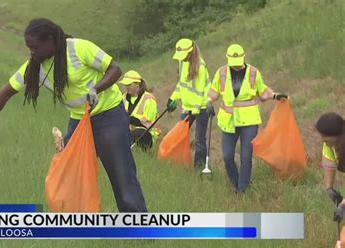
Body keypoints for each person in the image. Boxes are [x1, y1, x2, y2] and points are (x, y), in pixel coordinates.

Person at [0, 18, 147, 212]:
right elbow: (3, 94)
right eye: (29, 48)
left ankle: (140, 233)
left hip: (109, 118)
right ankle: (78, 226)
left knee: (123, 179)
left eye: (35, 47)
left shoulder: (79, 48)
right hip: (78, 121)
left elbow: (115, 69)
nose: (31, 52)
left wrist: (96, 89)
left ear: (50, 41)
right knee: (67, 177)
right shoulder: (35, 67)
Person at [207, 43, 287, 193]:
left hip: (249, 122)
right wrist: (208, 103)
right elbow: (213, 92)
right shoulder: (222, 73)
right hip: (229, 122)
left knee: (246, 156)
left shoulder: (253, 73)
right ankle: (236, 183)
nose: (236, 66)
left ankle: (242, 190)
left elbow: (262, 91)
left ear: (244, 57)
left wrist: (275, 95)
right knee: (227, 156)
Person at [166, 39, 210, 169]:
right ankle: (177, 164)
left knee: (199, 141)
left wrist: (194, 110)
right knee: (179, 136)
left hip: (201, 107)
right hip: (188, 107)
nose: (182, 59)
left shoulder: (200, 66)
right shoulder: (182, 63)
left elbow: (200, 91)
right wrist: (173, 98)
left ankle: (200, 169)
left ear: (190, 53)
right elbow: (182, 84)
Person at [119, 70, 159, 151]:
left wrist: (129, 118)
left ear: (138, 84)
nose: (127, 87)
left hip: (147, 134)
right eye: (125, 85)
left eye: (129, 84)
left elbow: (148, 122)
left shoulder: (149, 98)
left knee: (133, 134)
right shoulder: (123, 98)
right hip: (128, 131)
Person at [315, 112, 345, 221]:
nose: (322, 140)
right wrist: (329, 189)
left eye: (326, 137)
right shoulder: (328, 145)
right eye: (321, 136)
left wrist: (342, 206)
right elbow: (329, 165)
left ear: (339, 136)